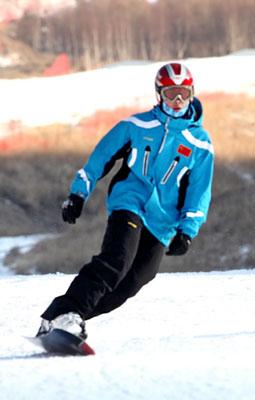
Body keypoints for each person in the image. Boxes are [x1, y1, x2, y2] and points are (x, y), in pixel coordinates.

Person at [36, 62, 215, 339]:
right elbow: (100, 158)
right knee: (116, 260)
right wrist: (78, 193)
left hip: (162, 222)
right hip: (129, 203)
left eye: (183, 93)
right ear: (159, 94)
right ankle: (67, 313)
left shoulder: (199, 143)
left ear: (192, 93)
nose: (177, 101)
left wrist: (187, 230)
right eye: (170, 94)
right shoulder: (136, 126)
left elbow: (199, 191)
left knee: (132, 282)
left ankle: (63, 318)